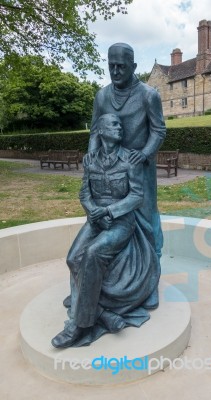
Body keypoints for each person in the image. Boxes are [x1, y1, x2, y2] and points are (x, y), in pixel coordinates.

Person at [63, 42, 165, 310]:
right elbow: (95, 131)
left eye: (121, 66)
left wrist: (143, 154)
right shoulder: (102, 96)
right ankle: (87, 284)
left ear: (133, 67)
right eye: (111, 66)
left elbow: (159, 130)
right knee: (100, 221)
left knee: (146, 223)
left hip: (138, 167)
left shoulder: (148, 95)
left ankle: (150, 284)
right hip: (108, 169)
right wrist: (91, 161)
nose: (116, 71)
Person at [52, 114, 160, 348]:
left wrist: (110, 211)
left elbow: (136, 196)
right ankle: (102, 313)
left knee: (92, 254)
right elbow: (84, 193)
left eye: (120, 124)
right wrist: (92, 211)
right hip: (96, 219)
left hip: (122, 221)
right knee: (73, 258)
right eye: (114, 124)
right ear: (100, 130)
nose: (119, 127)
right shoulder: (89, 160)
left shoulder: (129, 159)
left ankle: (80, 326)